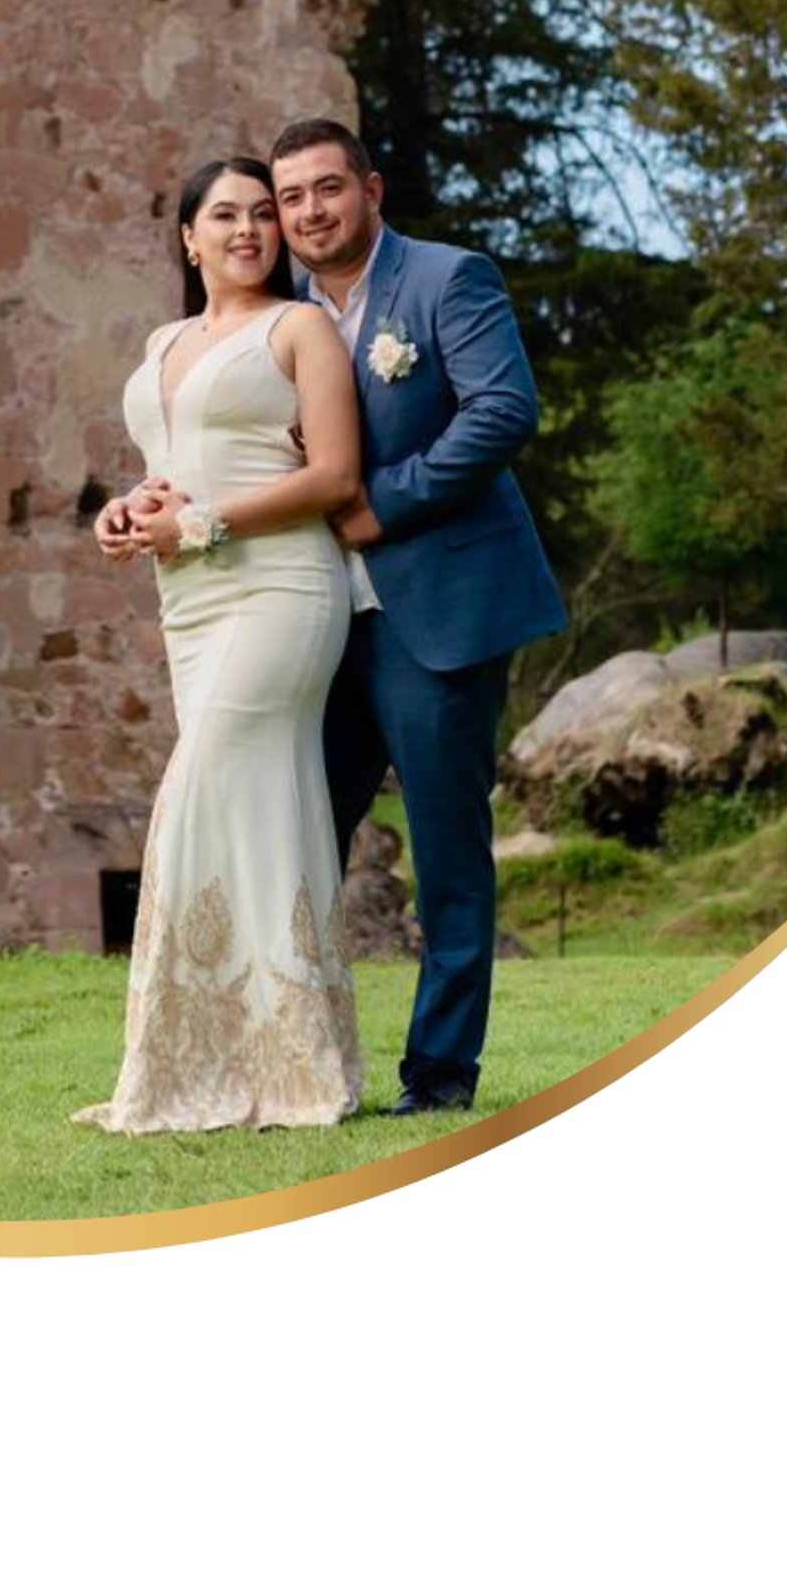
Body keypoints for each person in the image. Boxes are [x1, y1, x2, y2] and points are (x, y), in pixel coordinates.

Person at [268, 117, 567, 1116]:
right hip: (318, 621)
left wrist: (382, 501)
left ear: (371, 188)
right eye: (291, 198)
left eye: (326, 188)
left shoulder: (447, 279)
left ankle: (437, 1077)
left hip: (434, 608)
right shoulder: (282, 316)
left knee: (446, 853)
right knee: (300, 834)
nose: (309, 212)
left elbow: (502, 409)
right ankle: (296, 1060)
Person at [75, 156, 366, 1134]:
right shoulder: (167, 338)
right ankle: (255, 1055)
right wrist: (133, 507)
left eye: (263, 214)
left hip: (280, 586)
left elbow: (331, 474)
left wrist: (201, 526)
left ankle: (246, 1061)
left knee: (202, 789)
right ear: (186, 237)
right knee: (254, 808)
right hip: (189, 603)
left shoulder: (301, 327)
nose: (250, 229)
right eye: (226, 215)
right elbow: (174, 468)